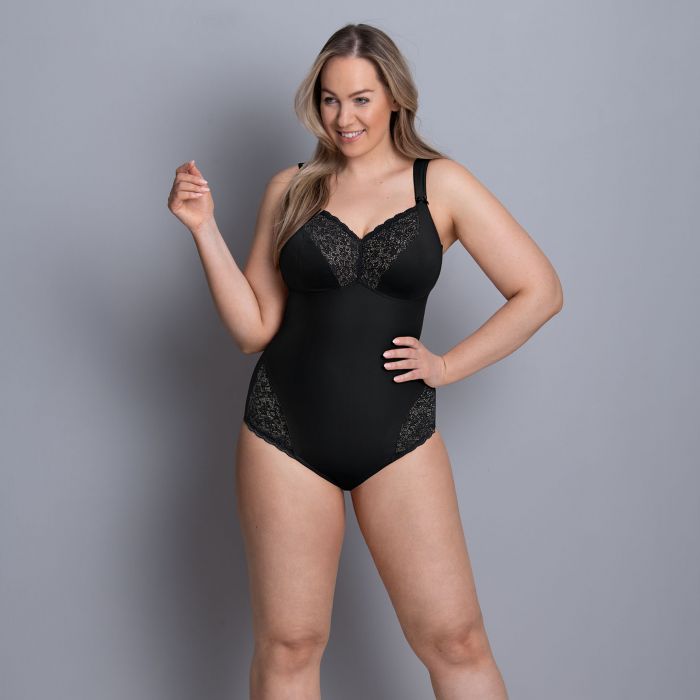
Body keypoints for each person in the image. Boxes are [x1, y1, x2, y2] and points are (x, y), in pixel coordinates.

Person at [167, 22, 562, 700]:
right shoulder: (289, 189)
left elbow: (540, 291)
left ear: (395, 99)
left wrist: (447, 366)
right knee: (289, 646)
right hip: (283, 434)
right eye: (329, 99)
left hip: (398, 435)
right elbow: (252, 329)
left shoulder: (441, 185)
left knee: (456, 641)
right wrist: (204, 230)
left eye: (360, 99)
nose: (343, 118)